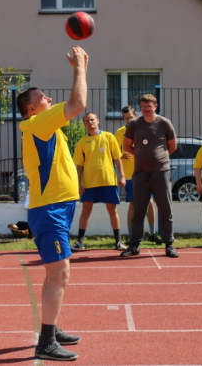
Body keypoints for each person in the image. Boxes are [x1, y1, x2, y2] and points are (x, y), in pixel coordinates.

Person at [16, 46, 88, 361]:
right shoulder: (38, 124)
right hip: (50, 210)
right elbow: (78, 104)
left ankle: (51, 327)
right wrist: (80, 67)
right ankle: (45, 341)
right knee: (60, 273)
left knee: (54, 273)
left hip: (58, 206)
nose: (49, 99)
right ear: (32, 108)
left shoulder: (45, 127)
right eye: (44, 97)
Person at [120, 94, 179, 258]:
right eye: (143, 106)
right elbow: (127, 146)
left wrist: (158, 158)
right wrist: (140, 155)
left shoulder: (164, 123)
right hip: (139, 173)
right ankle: (134, 245)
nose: (146, 108)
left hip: (161, 172)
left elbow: (172, 147)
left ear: (155, 106)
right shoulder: (134, 124)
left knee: (165, 208)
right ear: (140, 107)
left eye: (149, 105)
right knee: (139, 209)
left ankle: (169, 244)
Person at [71, 112, 126, 251]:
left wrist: (122, 176)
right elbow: (79, 165)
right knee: (86, 210)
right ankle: (80, 242)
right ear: (84, 124)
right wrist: (79, 183)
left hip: (108, 181)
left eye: (92, 120)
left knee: (112, 210)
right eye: (87, 121)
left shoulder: (109, 137)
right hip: (89, 182)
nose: (90, 122)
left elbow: (117, 159)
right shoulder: (82, 142)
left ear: (98, 121)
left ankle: (118, 242)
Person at [114, 106, 158, 243]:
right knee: (133, 204)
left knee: (150, 203)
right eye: (126, 118)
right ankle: (131, 235)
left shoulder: (144, 129)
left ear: (136, 115)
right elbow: (114, 153)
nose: (128, 120)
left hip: (146, 171)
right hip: (129, 174)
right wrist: (122, 155)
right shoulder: (120, 132)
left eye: (130, 117)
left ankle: (153, 233)